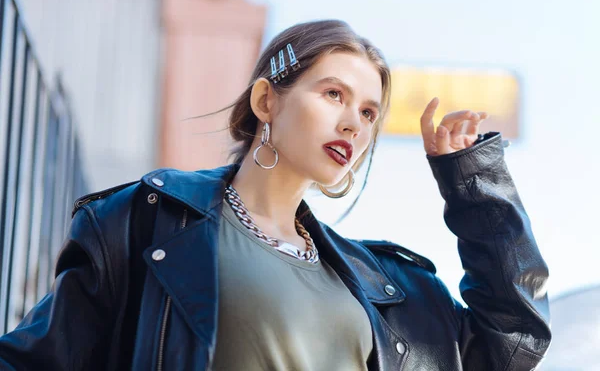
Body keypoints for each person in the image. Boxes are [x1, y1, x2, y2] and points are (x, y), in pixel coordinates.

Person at [0, 19, 551, 370]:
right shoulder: (147, 222)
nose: (353, 125)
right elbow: (36, 360)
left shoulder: (392, 289)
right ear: (267, 101)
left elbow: (514, 339)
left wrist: (469, 180)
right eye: (333, 94)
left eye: (367, 113)